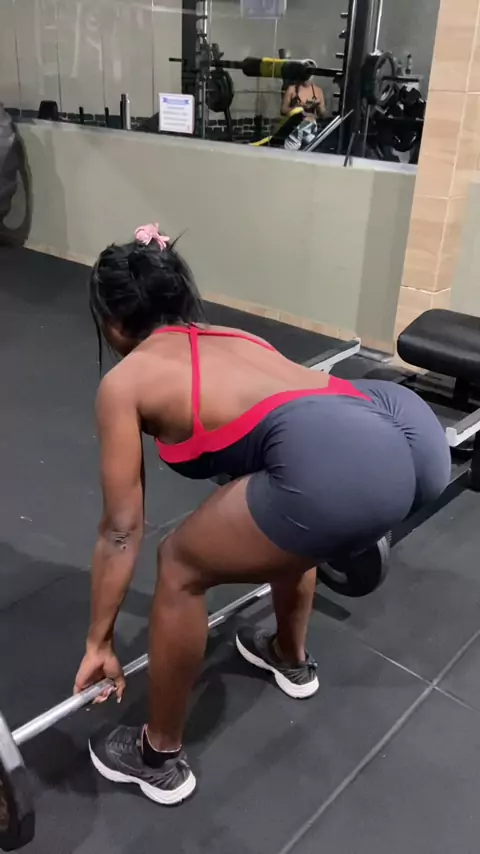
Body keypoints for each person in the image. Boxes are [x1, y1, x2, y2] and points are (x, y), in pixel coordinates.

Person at [74, 223, 451, 806]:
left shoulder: (125, 382)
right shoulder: (232, 335)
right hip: (406, 427)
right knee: (282, 508)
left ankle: (158, 756)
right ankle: (289, 658)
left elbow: (122, 531)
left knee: (178, 565)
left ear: (114, 322)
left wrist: (99, 641)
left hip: (336, 470)